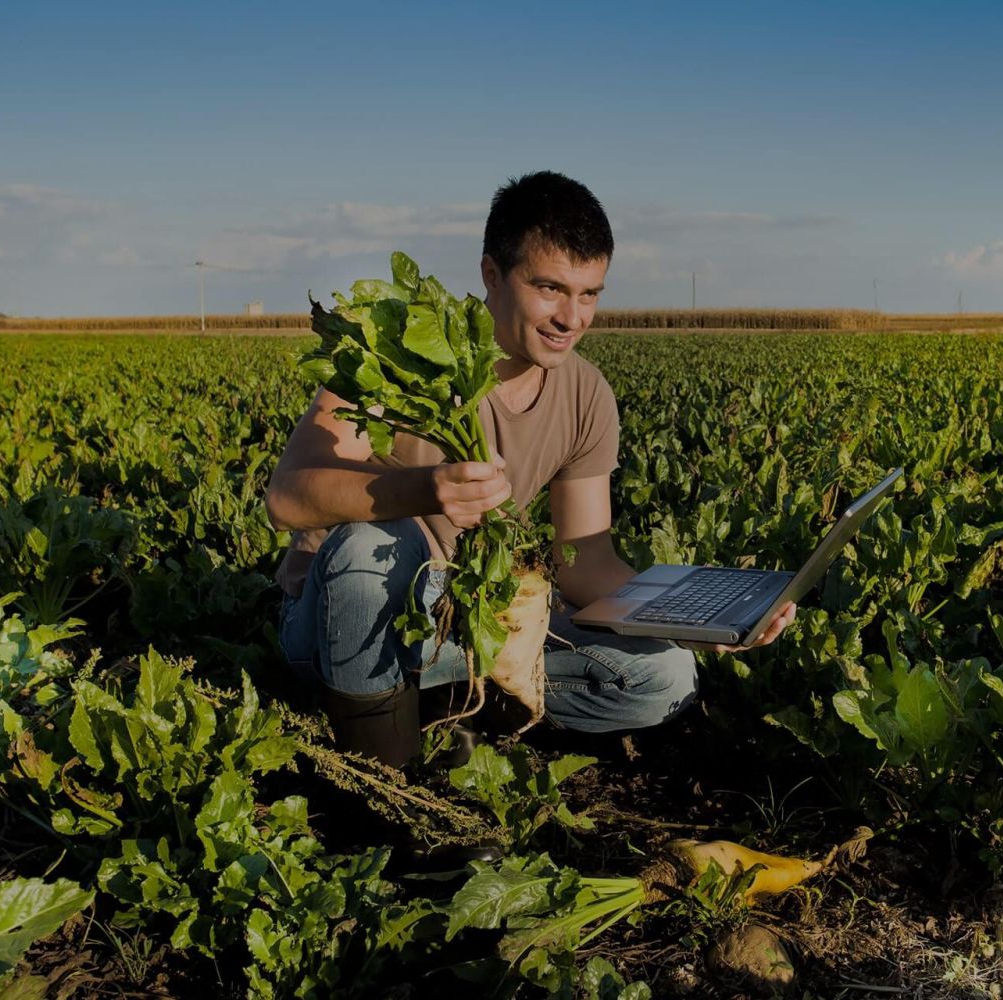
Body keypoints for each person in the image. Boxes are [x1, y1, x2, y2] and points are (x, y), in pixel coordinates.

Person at [265, 171, 796, 767]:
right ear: (492, 275)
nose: (572, 317)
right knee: (371, 544)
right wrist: (424, 491)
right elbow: (286, 498)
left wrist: (703, 618)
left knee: (663, 677)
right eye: (550, 288)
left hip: (474, 623)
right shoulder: (399, 351)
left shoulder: (586, 394)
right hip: (347, 621)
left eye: (590, 293)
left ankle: (442, 708)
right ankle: (391, 788)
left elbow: (586, 560)